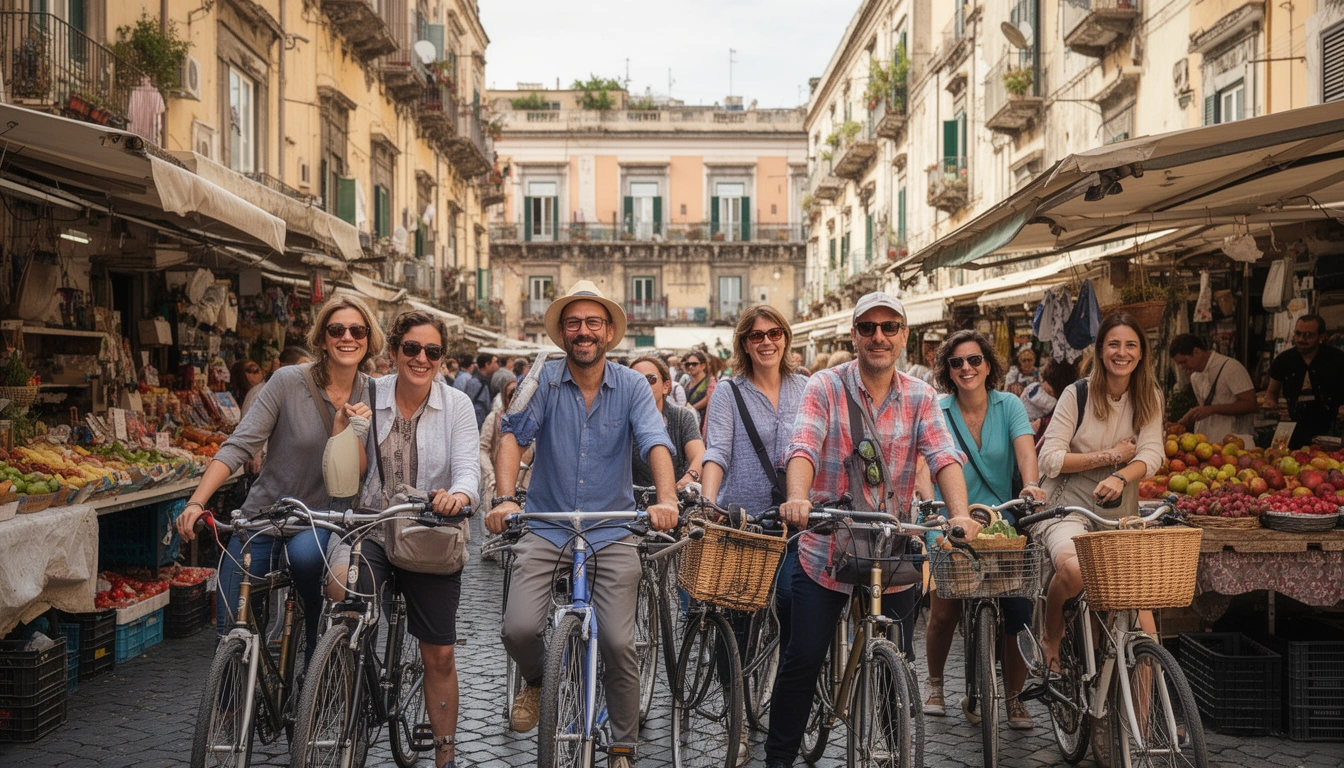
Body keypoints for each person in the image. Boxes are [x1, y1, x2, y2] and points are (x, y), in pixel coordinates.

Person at [764, 292, 979, 768]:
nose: (878, 336)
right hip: (825, 545)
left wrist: (959, 514)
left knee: (895, 664)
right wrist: (798, 498)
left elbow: (943, 455)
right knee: (803, 659)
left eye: (889, 327)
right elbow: (804, 444)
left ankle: (891, 751)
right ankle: (778, 760)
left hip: (889, 549)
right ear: (855, 335)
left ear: (903, 335)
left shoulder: (921, 396)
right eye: (868, 328)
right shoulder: (825, 385)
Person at [485, 281, 677, 768]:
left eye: (594, 323)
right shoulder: (543, 378)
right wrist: (505, 498)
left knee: (618, 641)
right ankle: (537, 680)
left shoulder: (633, 385)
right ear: (562, 333)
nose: (583, 331)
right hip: (547, 524)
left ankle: (622, 746)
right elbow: (511, 435)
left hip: (611, 530)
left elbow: (655, 440)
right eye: (574, 323)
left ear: (609, 332)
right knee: (519, 627)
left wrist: (667, 499)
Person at [176, 295, 383, 660]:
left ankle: (313, 657)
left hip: (320, 519)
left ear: (368, 339)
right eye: (337, 329)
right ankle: (233, 702)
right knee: (231, 619)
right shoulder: (288, 381)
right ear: (322, 338)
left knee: (306, 563)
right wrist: (197, 501)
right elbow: (239, 445)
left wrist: (345, 433)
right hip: (263, 515)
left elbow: (359, 474)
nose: (347, 337)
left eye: (357, 330)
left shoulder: (373, 392)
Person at [324, 310, 479, 768]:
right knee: (341, 591)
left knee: (439, 653)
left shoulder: (457, 406)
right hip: (373, 522)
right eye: (411, 348)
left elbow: (469, 466)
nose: (420, 358)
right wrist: (344, 430)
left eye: (432, 351)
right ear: (393, 352)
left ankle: (444, 755)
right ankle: (348, 677)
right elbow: (344, 471)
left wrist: (459, 494)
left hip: (429, 529)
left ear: (441, 358)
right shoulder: (368, 393)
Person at [922, 330, 1046, 730]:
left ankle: (1013, 698)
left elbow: (1026, 451)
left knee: (1018, 609)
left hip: (1002, 523)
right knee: (944, 609)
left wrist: (1030, 485)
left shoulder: (1009, 404)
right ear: (947, 370)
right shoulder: (938, 411)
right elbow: (926, 467)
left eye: (974, 360)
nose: (966, 368)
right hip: (948, 520)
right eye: (956, 362)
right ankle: (936, 682)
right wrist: (927, 503)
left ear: (988, 365)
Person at [1034, 312, 1164, 670]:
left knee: (1145, 622)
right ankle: (1052, 634)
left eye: (1130, 345)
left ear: (1141, 353)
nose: (1122, 353)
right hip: (1068, 505)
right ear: (1101, 350)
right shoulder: (1076, 395)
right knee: (1075, 571)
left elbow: (1153, 453)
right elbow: (1050, 460)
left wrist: (1121, 476)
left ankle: (1147, 721)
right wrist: (1109, 456)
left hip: (1122, 509)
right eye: (1114, 345)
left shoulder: (1149, 395)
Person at [1263, 314, 1344, 447]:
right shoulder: (1284, 360)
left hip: (1331, 428)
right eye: (1298, 334)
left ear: (1321, 337)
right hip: (1293, 427)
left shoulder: (1337, 359)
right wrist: (1271, 405)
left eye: (1308, 335)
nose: (1301, 339)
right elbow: (1271, 392)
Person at [629, 356, 704, 489]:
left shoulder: (682, 417)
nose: (642, 385)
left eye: (650, 379)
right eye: (634, 380)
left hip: (676, 500)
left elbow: (699, 454)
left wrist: (689, 477)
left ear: (666, 386)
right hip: (632, 503)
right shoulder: (620, 421)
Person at [1169, 334, 1258, 444]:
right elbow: (1205, 406)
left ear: (1197, 352)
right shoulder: (1195, 376)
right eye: (1179, 364)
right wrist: (1186, 419)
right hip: (1205, 442)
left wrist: (1212, 409)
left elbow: (1251, 404)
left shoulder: (1231, 368)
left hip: (1234, 442)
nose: (1182, 367)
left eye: (1184, 361)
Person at [1021, 358, 1079, 436]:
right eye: (1050, 392)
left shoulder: (1036, 387)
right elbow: (1051, 405)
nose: (1048, 392)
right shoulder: (1037, 392)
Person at [455, 352, 498, 428]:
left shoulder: (487, 380)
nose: (497, 365)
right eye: (495, 362)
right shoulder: (475, 382)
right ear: (487, 364)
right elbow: (468, 404)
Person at [684, 349, 716, 432]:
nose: (690, 367)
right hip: (689, 423)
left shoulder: (710, 381)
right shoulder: (687, 381)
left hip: (704, 423)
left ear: (703, 366)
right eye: (688, 364)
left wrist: (689, 410)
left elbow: (708, 399)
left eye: (694, 364)